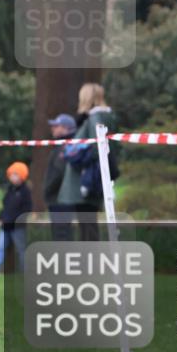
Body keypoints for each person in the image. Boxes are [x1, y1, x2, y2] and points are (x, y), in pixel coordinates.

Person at [54, 83, 119, 241]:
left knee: (87, 226)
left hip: (85, 182)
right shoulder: (105, 117)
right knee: (87, 225)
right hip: (92, 180)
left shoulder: (94, 118)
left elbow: (97, 150)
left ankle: (90, 262)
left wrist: (75, 157)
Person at [43, 113, 79, 242]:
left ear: (65, 128)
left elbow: (59, 172)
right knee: (61, 235)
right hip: (60, 198)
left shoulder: (65, 146)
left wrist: (48, 190)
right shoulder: (63, 145)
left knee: (62, 236)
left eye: (56, 126)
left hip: (60, 199)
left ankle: (65, 262)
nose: (53, 128)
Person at [0, 162, 32, 272]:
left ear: (22, 176)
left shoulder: (25, 191)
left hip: (18, 227)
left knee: (21, 250)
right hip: (6, 225)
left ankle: (24, 271)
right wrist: (1, 216)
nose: (13, 177)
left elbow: (27, 209)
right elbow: (5, 205)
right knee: (0, 248)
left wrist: (15, 219)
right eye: (11, 174)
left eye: (15, 174)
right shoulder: (10, 189)